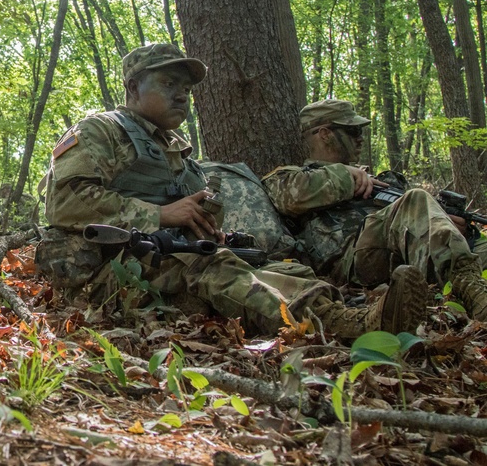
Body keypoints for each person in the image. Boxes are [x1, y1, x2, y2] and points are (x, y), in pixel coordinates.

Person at [34, 44, 428, 338]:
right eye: (169, 83)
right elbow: (64, 202)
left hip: (164, 261)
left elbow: (187, 218)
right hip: (109, 271)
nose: (181, 95)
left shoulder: (178, 153)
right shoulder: (101, 130)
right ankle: (346, 328)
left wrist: (207, 229)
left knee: (269, 266)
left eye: (186, 88)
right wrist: (161, 215)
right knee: (207, 265)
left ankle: (347, 312)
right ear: (133, 87)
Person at [263, 99, 487, 321]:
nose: (361, 138)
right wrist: (346, 176)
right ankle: (477, 298)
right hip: (353, 258)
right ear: (325, 134)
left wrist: (449, 225)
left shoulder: (381, 180)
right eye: (353, 131)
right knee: (416, 199)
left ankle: (471, 289)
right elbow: (288, 197)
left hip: (405, 252)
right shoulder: (291, 176)